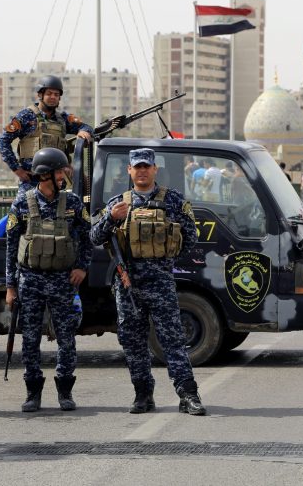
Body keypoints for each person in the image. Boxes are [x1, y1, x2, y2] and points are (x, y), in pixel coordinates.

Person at [90, 148, 206, 416]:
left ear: (155, 170)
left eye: (147, 167)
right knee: (133, 341)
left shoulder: (173, 201)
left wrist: (165, 259)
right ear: (129, 171)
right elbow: (94, 237)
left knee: (173, 340)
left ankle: (188, 394)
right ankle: (143, 394)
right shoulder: (118, 202)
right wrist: (111, 219)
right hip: (127, 283)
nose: (142, 171)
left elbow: (190, 237)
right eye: (137, 167)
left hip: (161, 283)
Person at [5, 147, 91, 412]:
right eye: (59, 171)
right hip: (30, 280)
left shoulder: (73, 203)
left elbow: (87, 237)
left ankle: (65, 391)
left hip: (63, 281)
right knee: (30, 338)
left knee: (66, 337)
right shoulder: (22, 203)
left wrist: (82, 268)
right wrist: (10, 285)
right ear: (45, 176)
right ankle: (33, 392)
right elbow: (10, 245)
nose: (64, 174)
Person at [0, 75, 93, 193]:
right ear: (40, 95)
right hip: (32, 182)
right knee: (26, 209)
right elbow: (3, 140)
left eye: (56, 95)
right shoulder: (26, 116)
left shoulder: (62, 119)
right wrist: (16, 169)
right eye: (49, 93)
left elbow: (87, 127)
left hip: (56, 183)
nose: (53, 97)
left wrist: (83, 131)